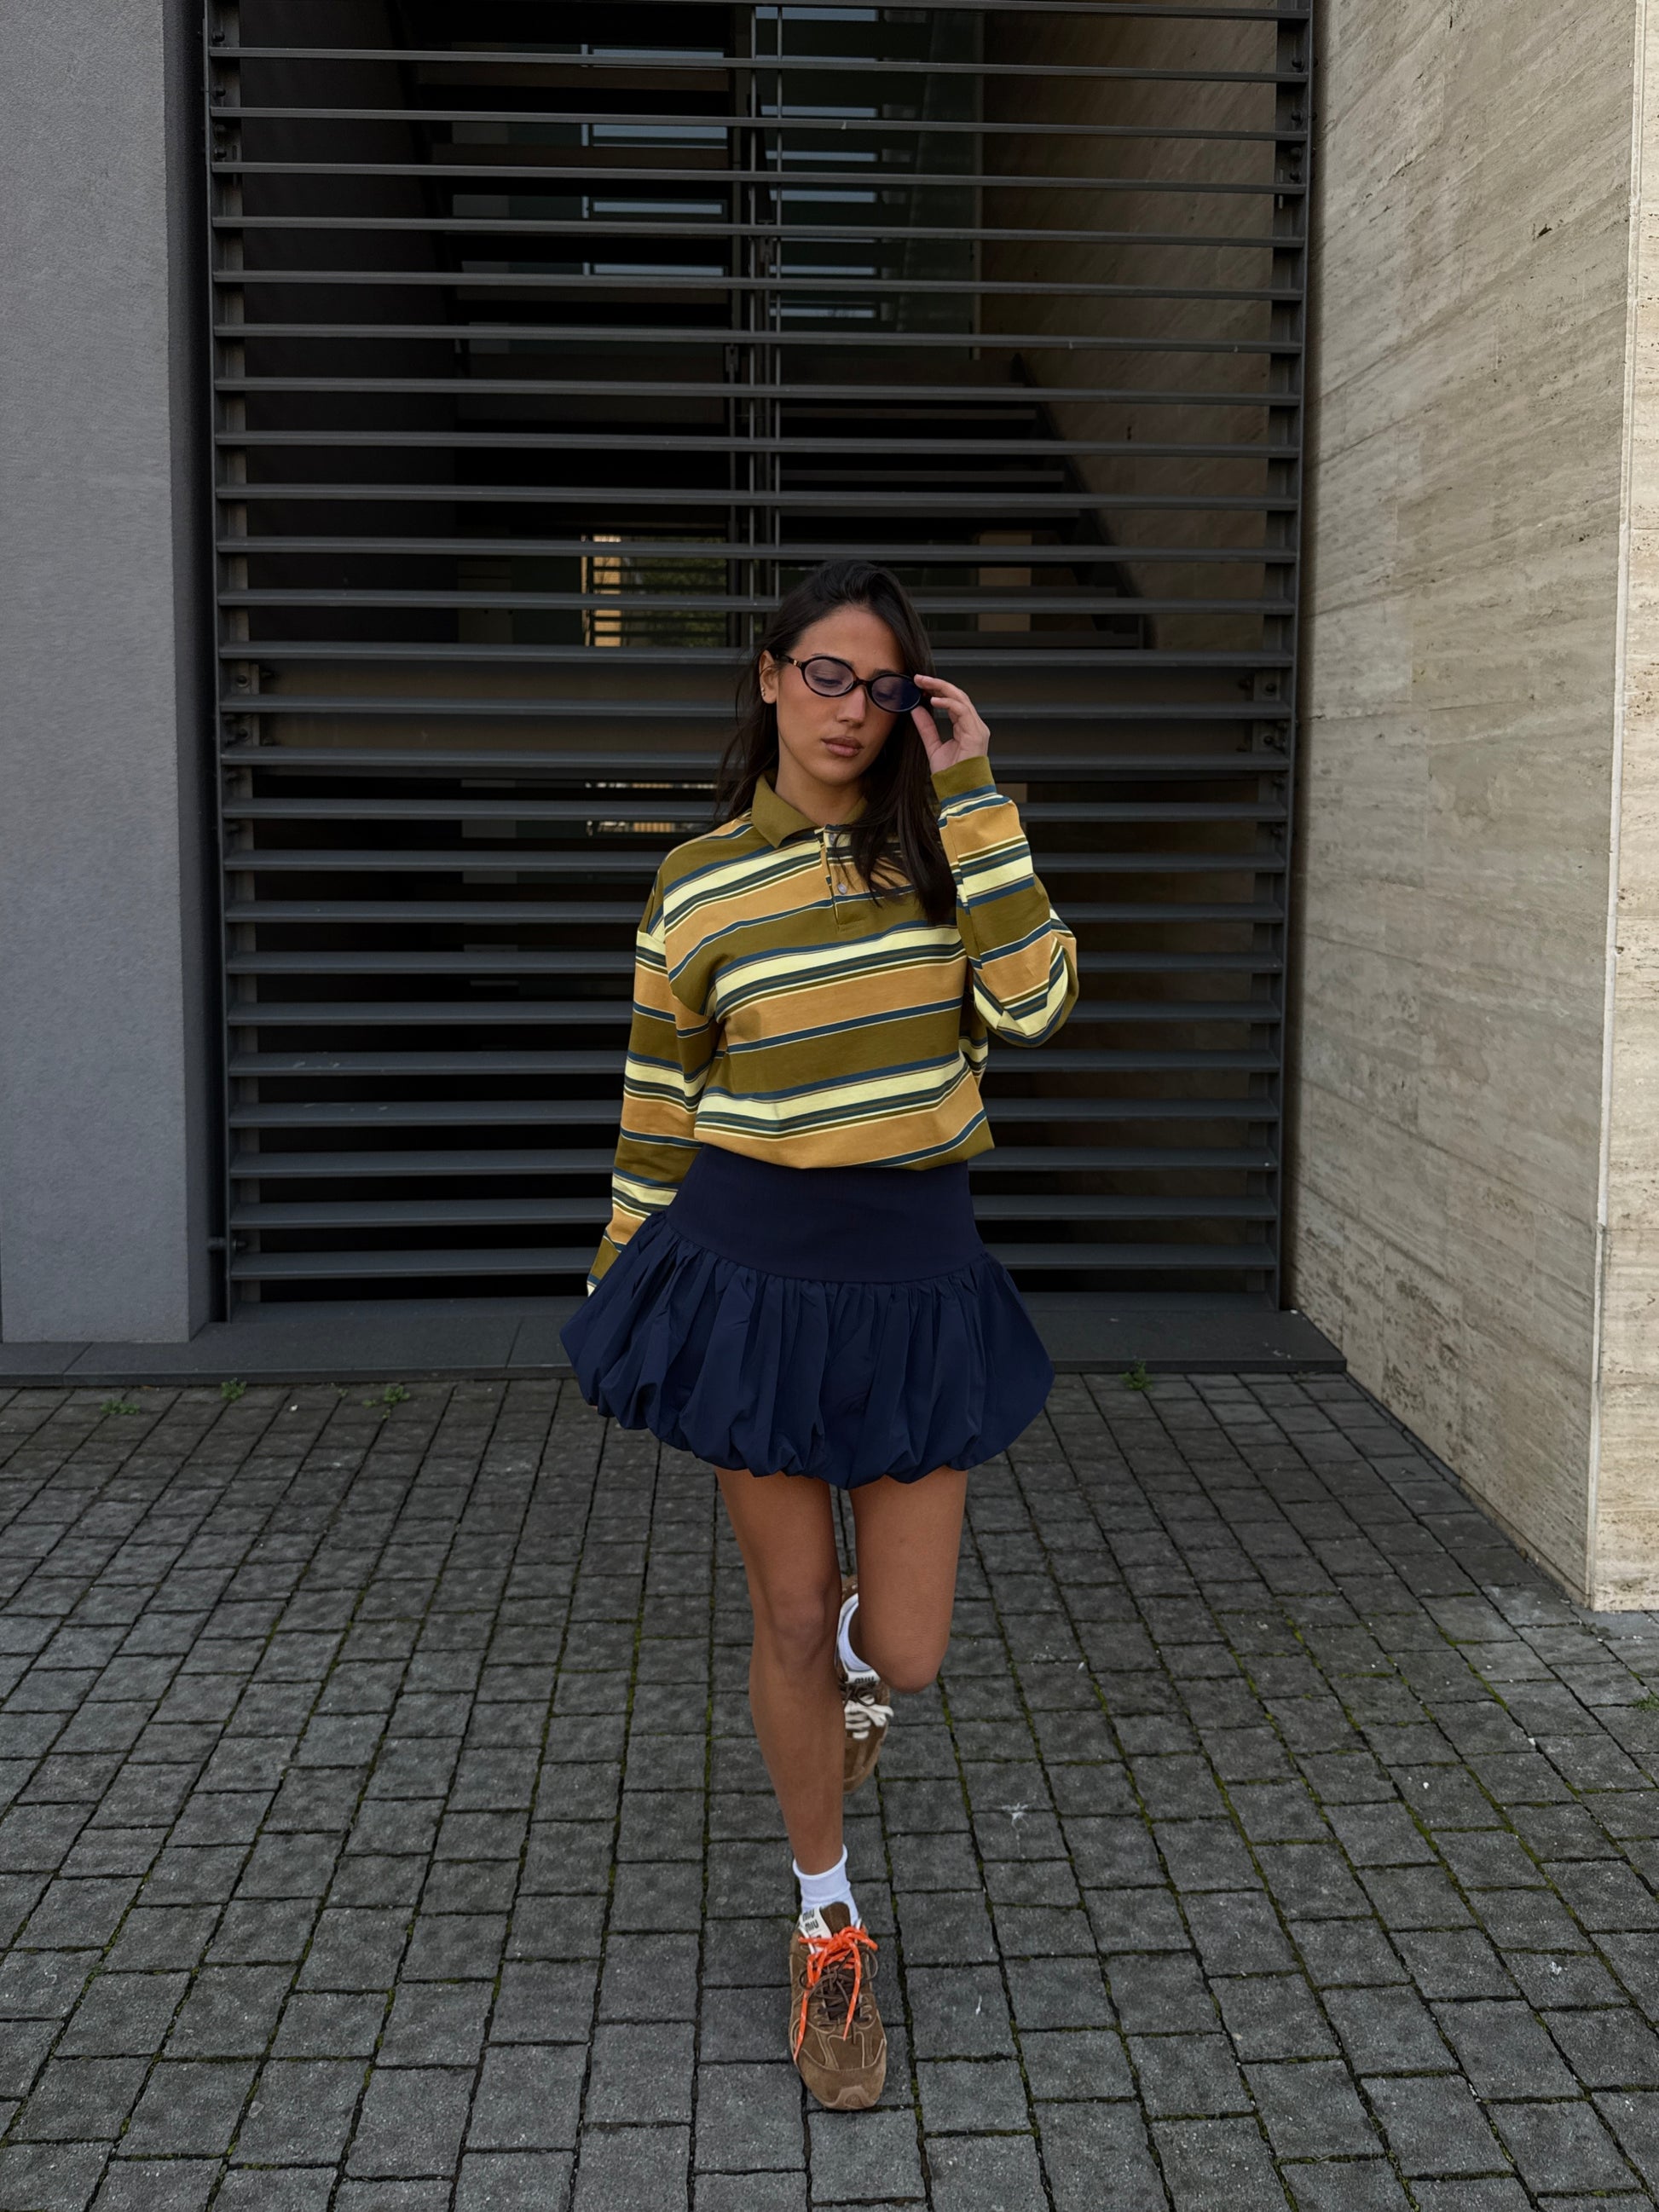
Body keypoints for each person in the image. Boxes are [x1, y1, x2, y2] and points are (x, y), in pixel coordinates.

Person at [562, 557, 1078, 2110]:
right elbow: (659, 1097)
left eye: (885, 685)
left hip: (915, 1277)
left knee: (903, 1650)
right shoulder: (697, 881)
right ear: (772, 677)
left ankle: (854, 1672)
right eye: (827, 675)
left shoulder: (951, 856)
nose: (852, 710)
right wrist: (621, 1279)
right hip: (747, 1274)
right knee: (786, 1618)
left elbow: (1038, 1008)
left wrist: (973, 794)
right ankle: (825, 1919)